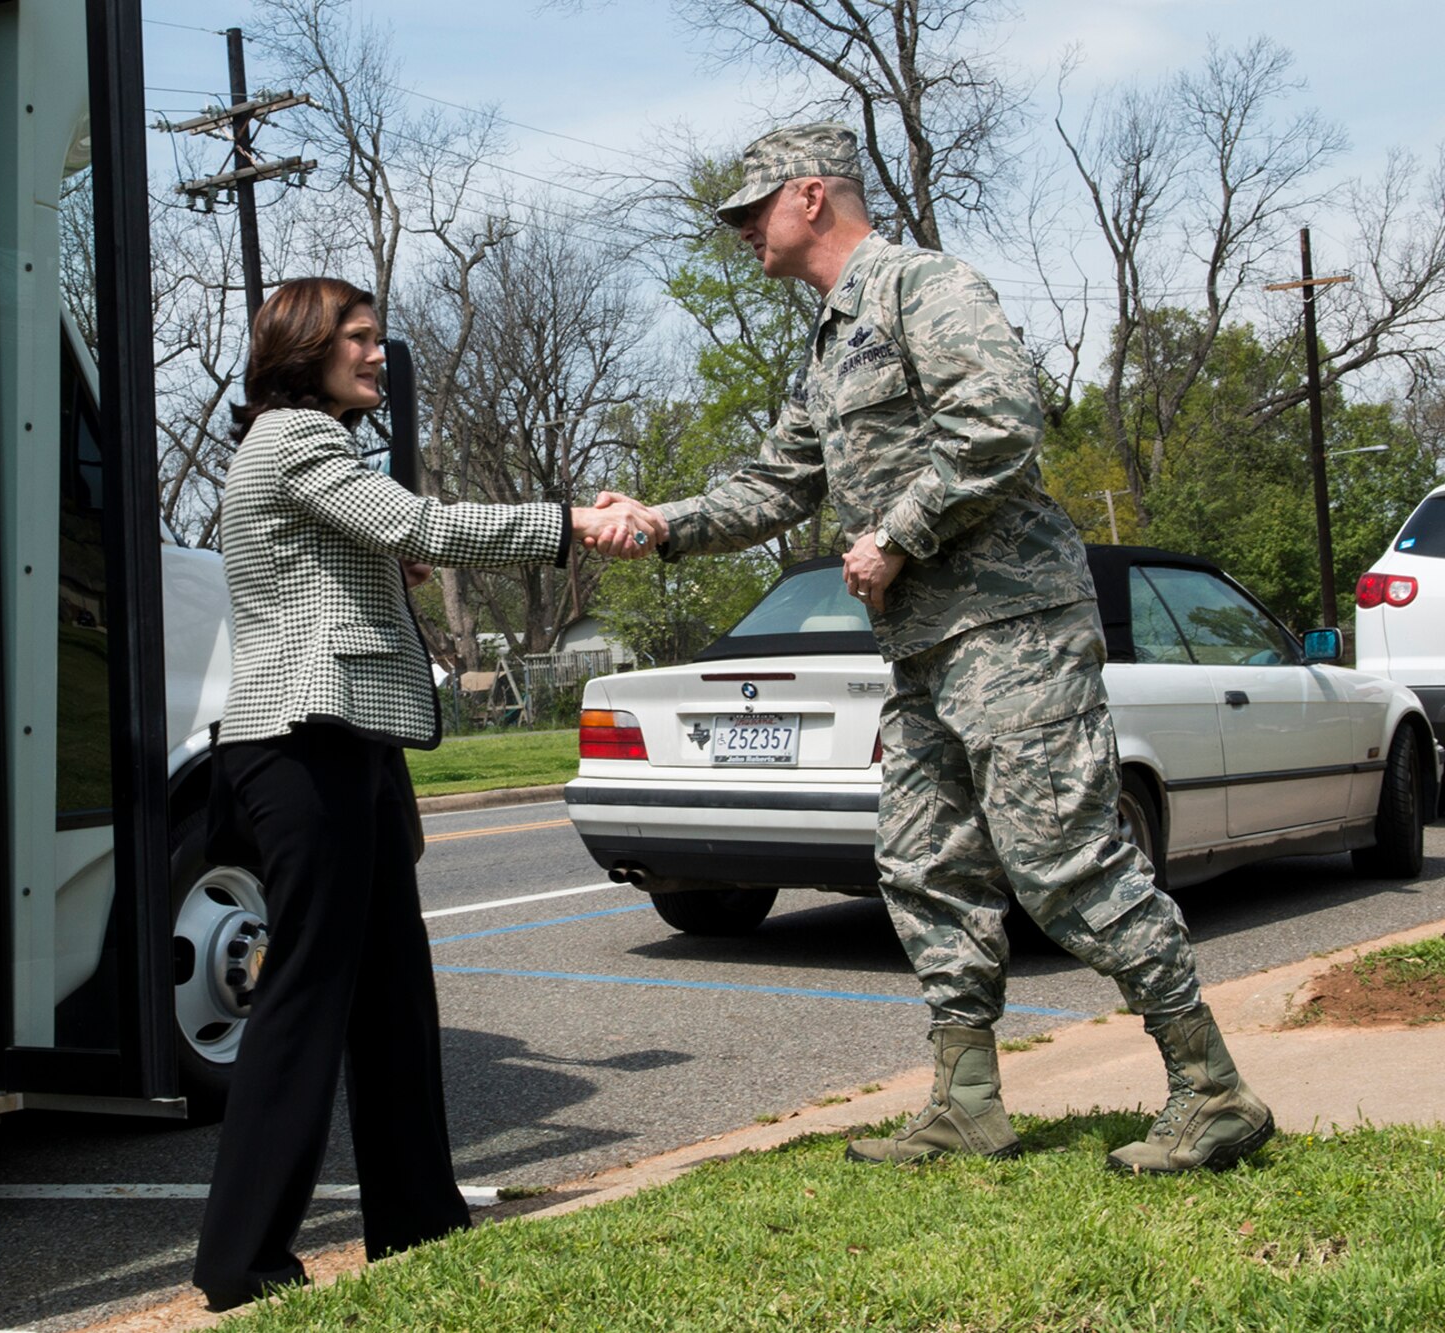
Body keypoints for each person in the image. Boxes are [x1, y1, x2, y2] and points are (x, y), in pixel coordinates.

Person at [591, 123, 1271, 1175]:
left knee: (1059, 860)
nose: (737, 231)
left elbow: (997, 423)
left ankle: (1211, 1087)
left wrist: (894, 534)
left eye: (749, 209)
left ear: (809, 196)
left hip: (1011, 628)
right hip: (919, 649)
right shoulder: (826, 345)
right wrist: (661, 518)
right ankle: (965, 1103)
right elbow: (773, 486)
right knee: (920, 864)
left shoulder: (920, 287)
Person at [192, 277, 637, 1310]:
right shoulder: (294, 438)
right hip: (300, 745)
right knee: (305, 994)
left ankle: (417, 1219)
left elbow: (383, 542)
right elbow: (419, 519)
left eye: (374, 337)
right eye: (354, 338)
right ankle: (239, 1261)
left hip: (351, 744)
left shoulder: (316, 447)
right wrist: (571, 521)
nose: (373, 354)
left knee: (393, 990)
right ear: (302, 349)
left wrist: (402, 563)